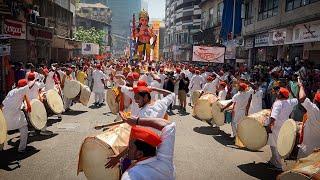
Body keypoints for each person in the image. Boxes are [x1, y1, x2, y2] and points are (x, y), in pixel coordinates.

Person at [106, 113, 176, 180]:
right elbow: (168, 125)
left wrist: (136, 121)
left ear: (140, 154)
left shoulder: (131, 175)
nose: (127, 150)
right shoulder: (164, 160)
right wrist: (136, 121)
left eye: (130, 148)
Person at [266, 87, 298, 170]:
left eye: (278, 92)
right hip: (284, 125)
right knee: (278, 143)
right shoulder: (291, 102)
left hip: (276, 126)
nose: (277, 93)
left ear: (280, 95)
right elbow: (298, 99)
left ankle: (278, 165)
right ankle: (273, 161)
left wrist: (269, 126)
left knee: (274, 145)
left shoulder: (278, 103)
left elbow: (273, 117)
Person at [1, 79, 33, 153]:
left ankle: (1, 147)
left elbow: (3, 104)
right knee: (24, 128)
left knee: (3, 131)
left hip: (5, 113)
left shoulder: (11, 91)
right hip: (14, 113)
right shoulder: (21, 90)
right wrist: (34, 79)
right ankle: (21, 149)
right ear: (23, 86)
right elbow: (30, 85)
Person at [297, 80, 320, 158]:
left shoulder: (315, 110)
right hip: (317, 150)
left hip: (308, 149)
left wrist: (301, 86)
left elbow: (302, 98)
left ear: (315, 100)